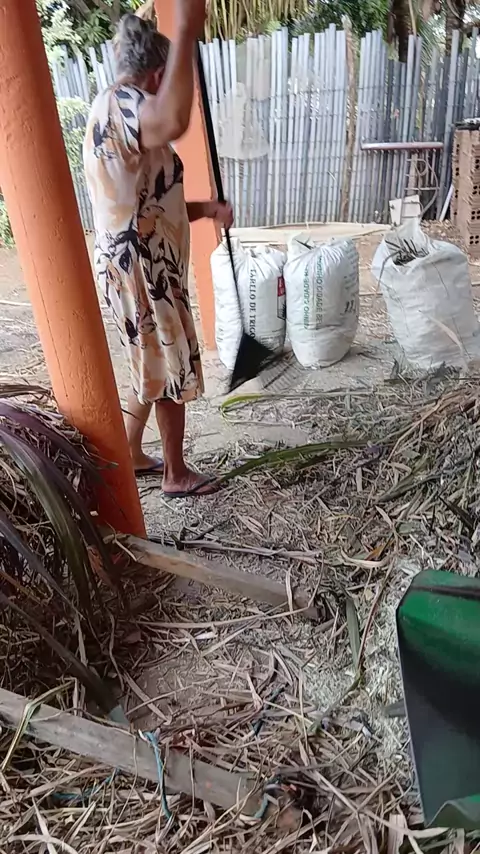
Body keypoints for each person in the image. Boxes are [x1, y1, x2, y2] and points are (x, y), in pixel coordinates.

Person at [83, 0, 233, 498]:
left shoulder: (112, 108)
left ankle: (129, 453)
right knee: (169, 363)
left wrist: (206, 209)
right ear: (159, 75)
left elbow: (149, 201)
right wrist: (187, 29)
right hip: (143, 268)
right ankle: (175, 473)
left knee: (149, 359)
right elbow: (173, 119)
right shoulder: (124, 105)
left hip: (137, 260)